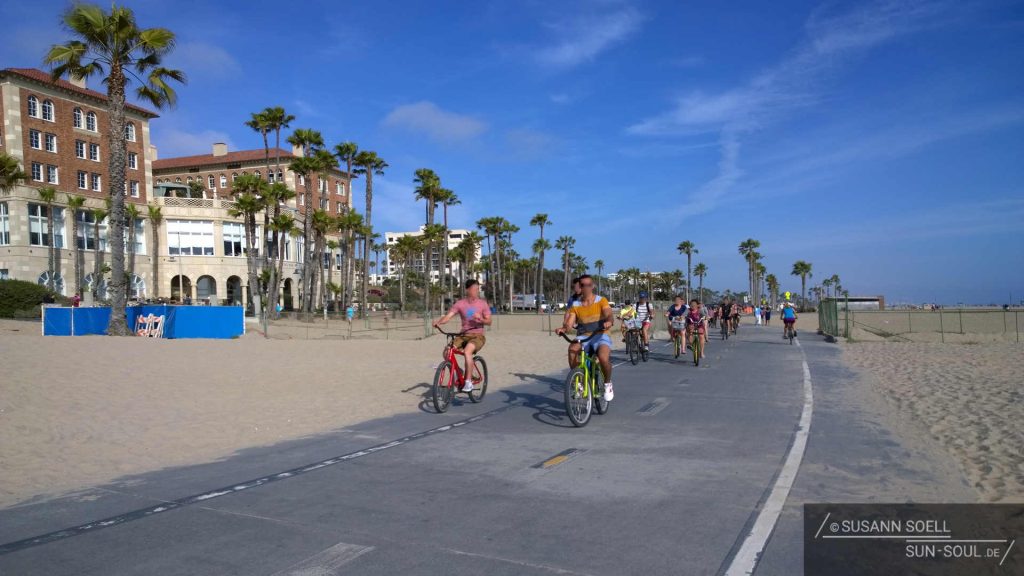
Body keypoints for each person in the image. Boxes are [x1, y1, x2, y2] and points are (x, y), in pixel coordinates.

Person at [556, 275, 615, 401]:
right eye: (583, 285)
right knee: (572, 349)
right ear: (579, 287)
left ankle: (608, 383)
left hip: (601, 335)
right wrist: (564, 329)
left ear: (592, 286)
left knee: (604, 358)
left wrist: (609, 321)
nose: (586, 287)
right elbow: (570, 323)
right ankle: (579, 380)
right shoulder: (576, 304)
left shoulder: (601, 300)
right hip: (584, 336)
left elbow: (609, 314)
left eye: (589, 285)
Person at [433, 279, 493, 392]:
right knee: (447, 352)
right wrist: (439, 322)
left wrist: (481, 319)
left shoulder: (482, 304)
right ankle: (459, 372)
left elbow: (489, 321)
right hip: (463, 335)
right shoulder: (460, 304)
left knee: (467, 351)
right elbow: (448, 316)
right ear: (467, 290)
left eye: (477, 289)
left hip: (478, 335)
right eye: (474, 289)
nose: (477, 291)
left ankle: (468, 382)